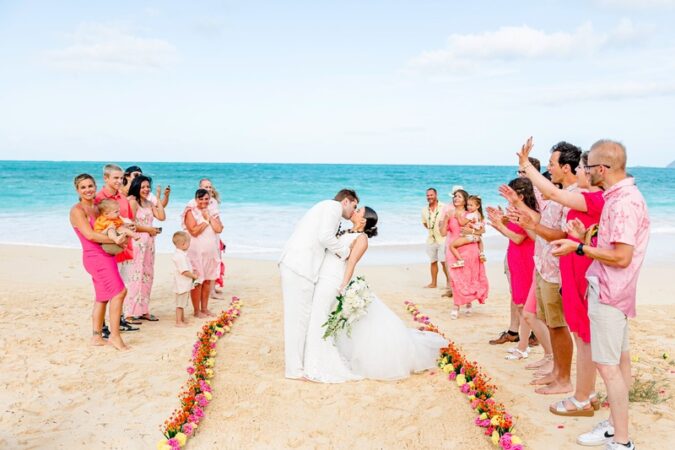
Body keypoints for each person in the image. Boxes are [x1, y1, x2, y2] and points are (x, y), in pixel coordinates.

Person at [551, 140, 649, 450]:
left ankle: (621, 441)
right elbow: (615, 249)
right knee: (618, 363)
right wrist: (587, 238)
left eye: (588, 166)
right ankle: (613, 427)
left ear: (602, 170)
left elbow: (621, 257)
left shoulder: (621, 203)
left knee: (608, 367)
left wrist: (578, 247)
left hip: (609, 292)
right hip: (614, 290)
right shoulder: (620, 197)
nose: (585, 171)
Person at [304, 207, 448, 382]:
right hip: (327, 277)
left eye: (358, 210)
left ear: (364, 220)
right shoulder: (344, 231)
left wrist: (343, 285)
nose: (354, 211)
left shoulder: (361, 238)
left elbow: (351, 263)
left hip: (338, 280)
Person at [519, 138, 605, 416]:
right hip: (569, 272)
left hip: (578, 274)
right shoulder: (583, 198)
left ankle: (581, 395)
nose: (581, 172)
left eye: (583, 168)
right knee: (582, 337)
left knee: (584, 340)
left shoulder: (588, 198)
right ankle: (585, 393)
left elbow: (552, 201)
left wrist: (526, 168)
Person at [507, 141, 582, 395]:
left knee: (559, 326)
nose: (549, 168)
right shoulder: (559, 190)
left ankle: (564, 379)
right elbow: (541, 219)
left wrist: (526, 166)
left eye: (552, 164)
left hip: (557, 271)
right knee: (550, 323)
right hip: (543, 265)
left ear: (566, 167)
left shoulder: (572, 195)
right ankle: (556, 371)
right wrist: (520, 208)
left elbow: (560, 233)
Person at [279, 189, 358, 380]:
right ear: (346, 201)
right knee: (297, 320)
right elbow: (324, 237)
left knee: (301, 318)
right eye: (354, 207)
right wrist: (346, 252)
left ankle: (298, 366)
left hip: (299, 266)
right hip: (300, 266)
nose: (353, 212)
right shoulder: (333, 207)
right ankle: (294, 371)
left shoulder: (324, 208)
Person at [70, 174, 129, 351]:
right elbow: (90, 235)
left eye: (90, 186)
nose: (88, 190)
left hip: (105, 254)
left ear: (95, 186)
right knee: (119, 292)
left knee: (102, 297)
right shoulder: (77, 210)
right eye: (83, 187)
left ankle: (96, 336)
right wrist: (117, 240)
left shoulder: (97, 208)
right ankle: (115, 336)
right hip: (94, 257)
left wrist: (125, 232)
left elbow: (112, 225)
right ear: (77, 190)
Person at [94, 164, 138, 332]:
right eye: (115, 178)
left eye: (121, 178)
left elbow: (127, 220)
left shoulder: (123, 198)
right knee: (107, 289)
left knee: (122, 287)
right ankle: (103, 326)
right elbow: (97, 227)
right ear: (106, 178)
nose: (120, 181)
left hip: (125, 249)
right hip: (108, 251)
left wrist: (133, 229)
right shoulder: (99, 200)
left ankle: (119, 321)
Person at [440, 189, 489, 319]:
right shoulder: (449, 213)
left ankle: (466, 302)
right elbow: (443, 233)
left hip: (469, 248)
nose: (456, 198)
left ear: (465, 200)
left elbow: (482, 231)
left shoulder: (470, 213)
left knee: (468, 277)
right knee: (455, 278)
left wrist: (470, 231)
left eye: (459, 196)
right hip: (453, 248)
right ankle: (457, 304)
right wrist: (445, 218)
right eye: (455, 196)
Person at [124, 175, 166, 322]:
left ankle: (143, 310)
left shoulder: (148, 202)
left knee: (147, 276)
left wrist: (157, 199)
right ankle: (129, 313)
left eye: (148, 186)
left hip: (149, 244)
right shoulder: (133, 202)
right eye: (143, 187)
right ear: (136, 187)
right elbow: (130, 225)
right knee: (135, 276)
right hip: (137, 243)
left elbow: (161, 216)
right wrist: (149, 229)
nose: (146, 189)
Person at [183, 188, 224, 318]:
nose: (204, 202)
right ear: (196, 200)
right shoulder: (190, 211)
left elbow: (219, 229)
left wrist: (209, 217)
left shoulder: (212, 212)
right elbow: (194, 231)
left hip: (210, 252)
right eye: (201, 199)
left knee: (207, 281)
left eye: (206, 199)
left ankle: (205, 308)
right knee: (198, 281)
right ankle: (196, 311)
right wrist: (205, 221)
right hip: (196, 252)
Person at [421, 187, 450, 293]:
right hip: (431, 239)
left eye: (431, 195)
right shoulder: (424, 209)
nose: (429, 197)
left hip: (443, 239)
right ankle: (433, 283)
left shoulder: (444, 207)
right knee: (433, 261)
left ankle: (449, 282)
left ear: (436, 195)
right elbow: (425, 223)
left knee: (444, 262)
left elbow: (449, 221)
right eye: (427, 195)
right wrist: (432, 229)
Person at [449, 195, 486, 267]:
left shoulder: (470, 215)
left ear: (477, 206)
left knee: (452, 246)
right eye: (468, 205)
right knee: (480, 240)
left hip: (470, 237)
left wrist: (458, 216)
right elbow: (481, 228)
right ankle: (481, 253)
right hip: (477, 237)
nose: (468, 207)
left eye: (471, 205)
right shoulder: (479, 215)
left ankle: (460, 260)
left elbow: (462, 223)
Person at [172, 232, 199, 327]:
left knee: (182, 303)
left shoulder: (181, 254)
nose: (190, 244)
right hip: (181, 284)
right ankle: (178, 322)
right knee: (180, 304)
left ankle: (181, 320)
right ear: (183, 244)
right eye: (189, 243)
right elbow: (184, 271)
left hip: (183, 284)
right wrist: (194, 276)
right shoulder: (180, 256)